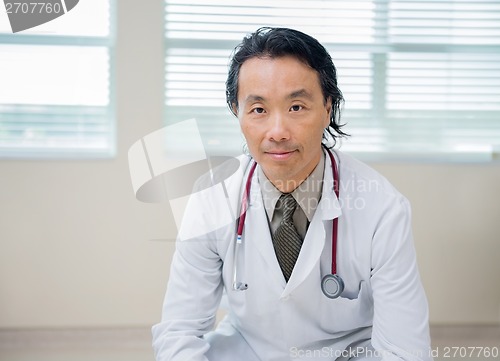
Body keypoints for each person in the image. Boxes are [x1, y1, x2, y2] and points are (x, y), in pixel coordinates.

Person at [152, 27, 432, 361]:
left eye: (297, 107)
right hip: (247, 349)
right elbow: (179, 332)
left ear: (329, 107)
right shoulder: (211, 198)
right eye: (258, 109)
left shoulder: (382, 208)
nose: (278, 132)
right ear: (236, 112)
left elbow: (406, 351)